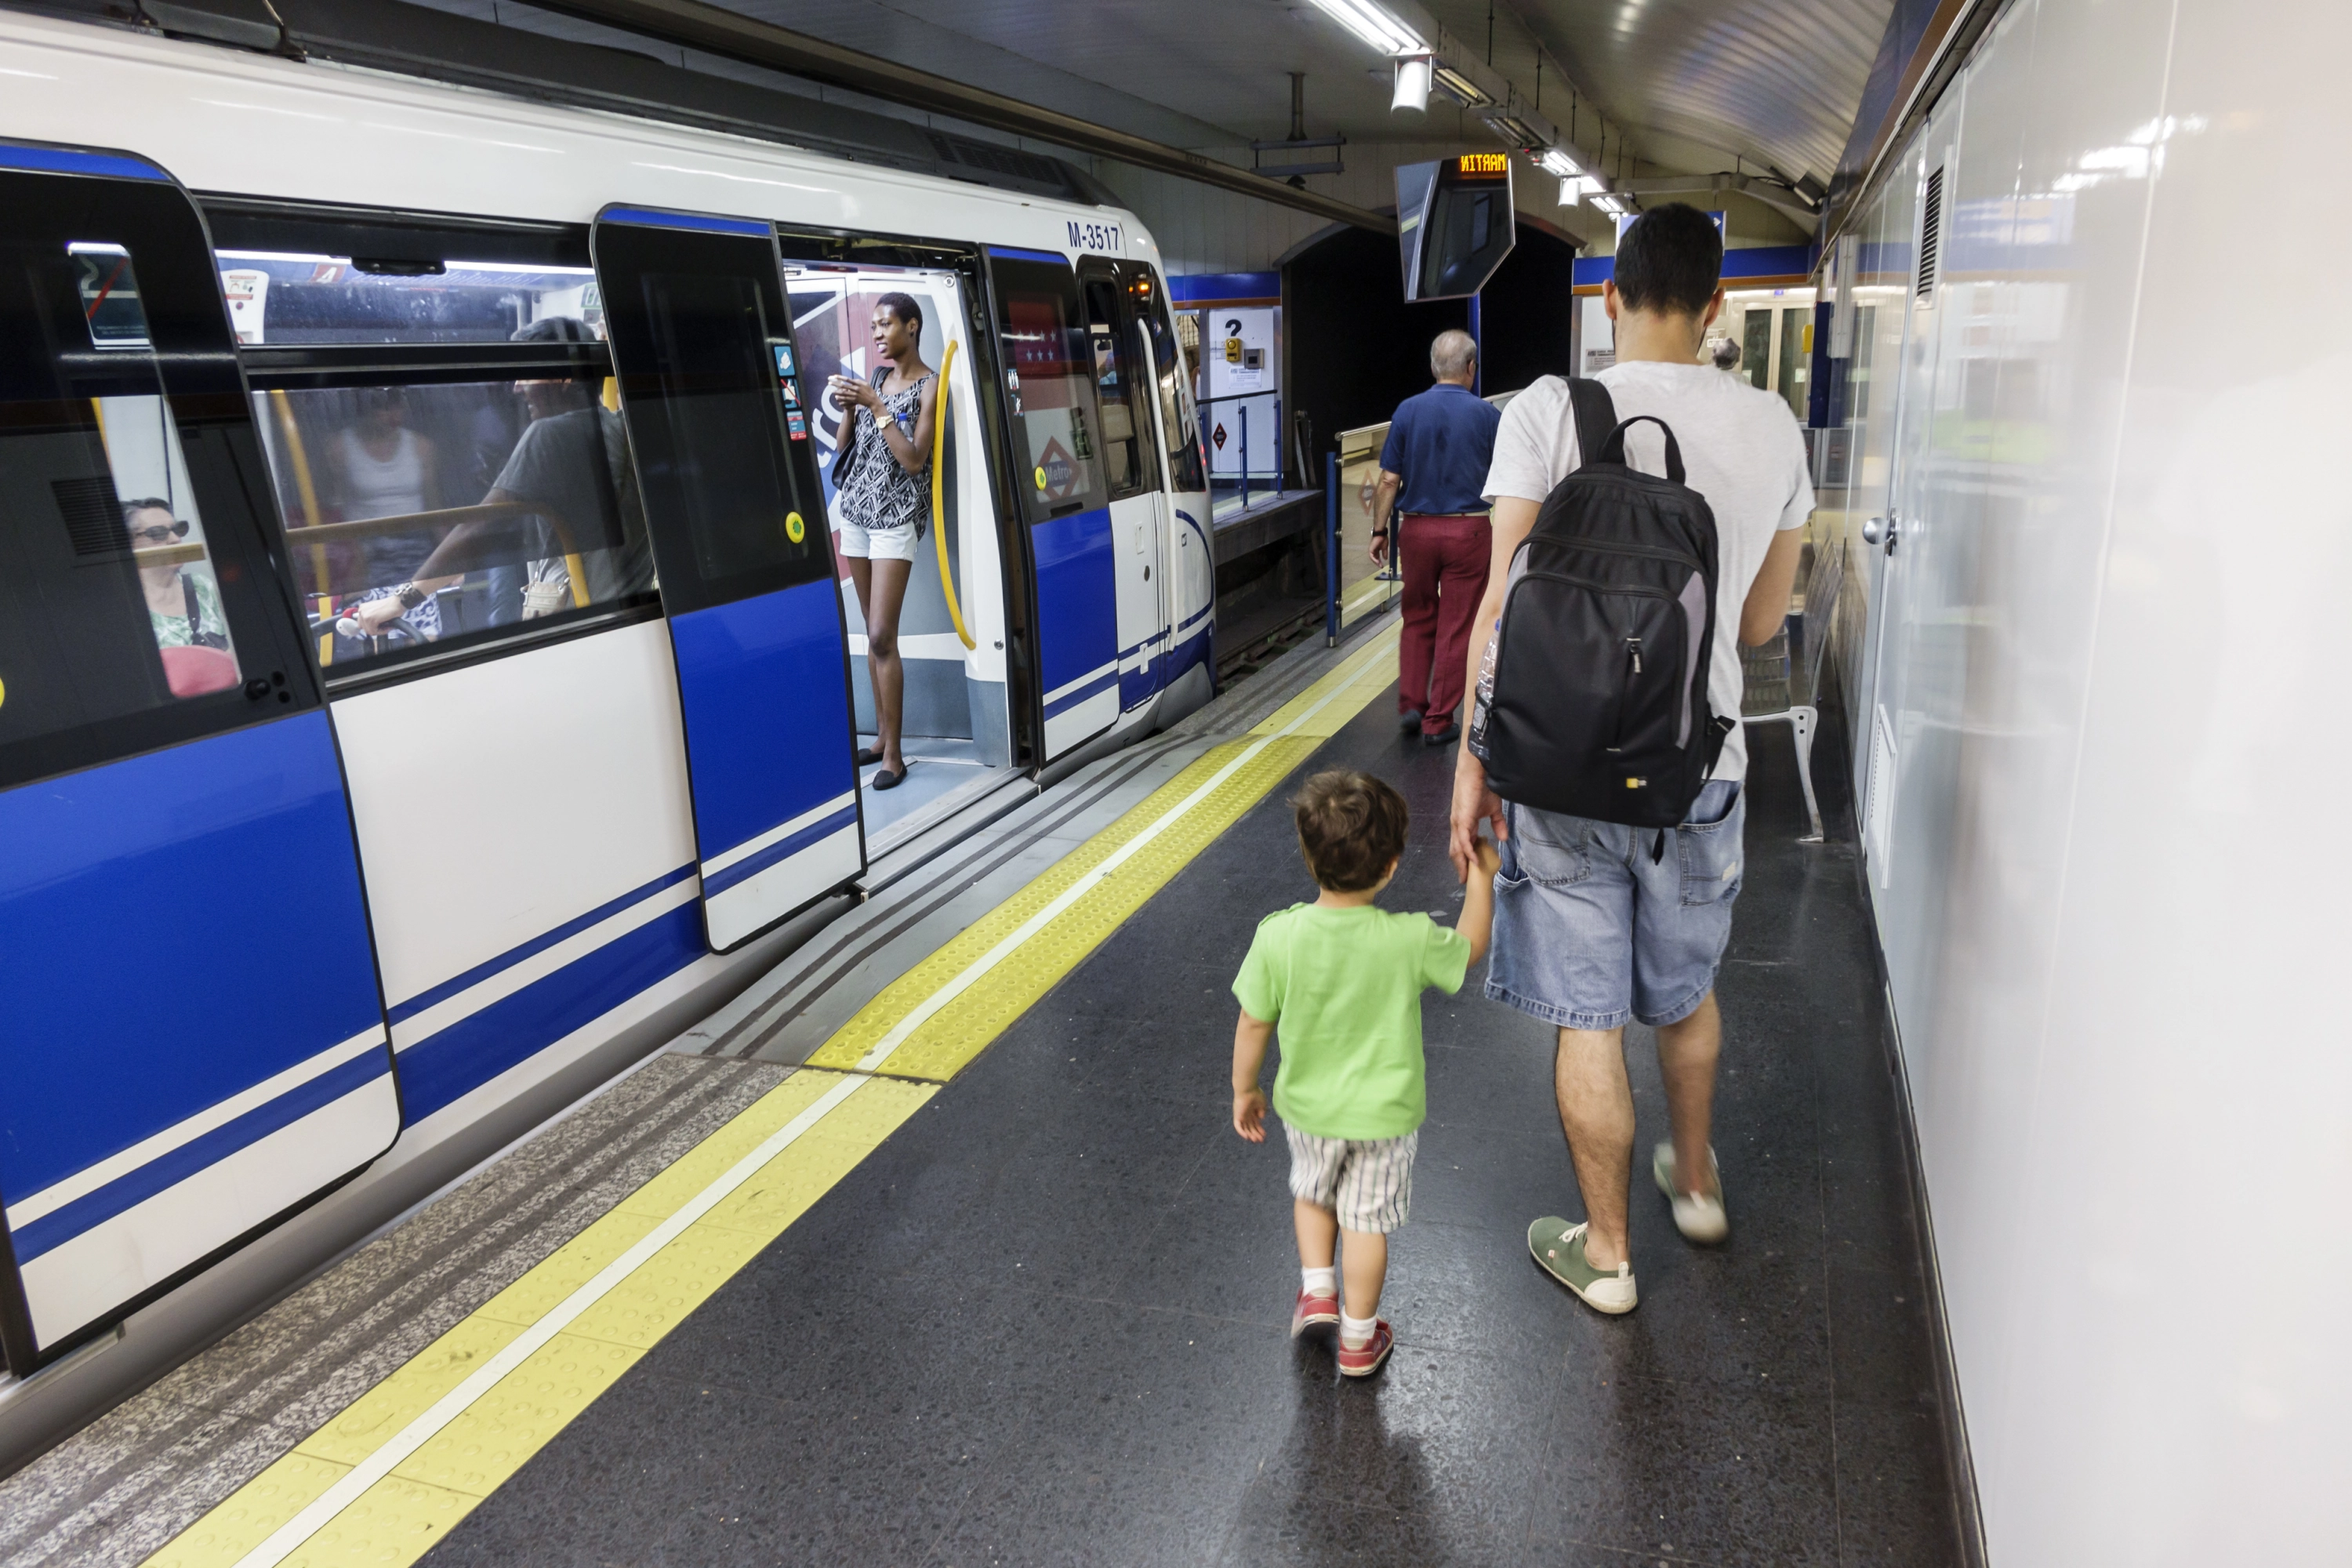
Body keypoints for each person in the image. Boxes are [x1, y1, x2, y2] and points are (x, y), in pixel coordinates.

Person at [1448, 202, 1809, 1316]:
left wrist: (1472, 765)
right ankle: (1693, 1186)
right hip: (1700, 769)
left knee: (1586, 1014)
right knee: (1686, 994)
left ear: (1609, 296)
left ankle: (1608, 1257)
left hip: (1555, 767)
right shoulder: (1773, 428)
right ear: (1716, 307)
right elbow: (1756, 630)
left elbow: (1501, 606)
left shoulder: (1548, 410)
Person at [1230, 770, 1499, 1377]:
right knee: (1366, 1223)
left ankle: (1317, 1290)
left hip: (1309, 1109)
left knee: (1313, 1194)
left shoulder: (1278, 936)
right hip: (1384, 1119)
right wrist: (1482, 880)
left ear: (1308, 858)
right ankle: (1357, 1337)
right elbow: (1469, 948)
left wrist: (1244, 1089)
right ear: (1392, 867)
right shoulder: (1406, 939)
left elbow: (1252, 1023)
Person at [352, 318, 652, 637]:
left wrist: (402, 600)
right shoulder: (618, 429)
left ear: (564, 377)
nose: (517, 387)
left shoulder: (553, 434)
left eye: (527, 373)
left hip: (578, 627)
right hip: (627, 618)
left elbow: (481, 524)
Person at [827, 292, 939, 792]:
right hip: (855, 512)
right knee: (869, 632)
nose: (876, 334)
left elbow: (914, 459)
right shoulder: (873, 381)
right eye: (873, 326)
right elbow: (844, 450)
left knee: (880, 636)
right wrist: (850, 405)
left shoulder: (931, 386)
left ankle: (895, 753)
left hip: (895, 518)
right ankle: (880, 738)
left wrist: (876, 407)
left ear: (911, 327)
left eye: (885, 325)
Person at [1370, 328, 1502, 747]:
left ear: (1432, 367)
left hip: (1418, 529)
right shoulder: (1488, 416)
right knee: (1457, 625)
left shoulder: (1408, 411)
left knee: (1418, 614)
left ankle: (1412, 704)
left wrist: (1378, 531)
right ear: (1471, 369)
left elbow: (1389, 480)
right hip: (1469, 529)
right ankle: (1438, 720)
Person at [329, 387, 444, 641]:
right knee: (372, 637)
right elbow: (331, 510)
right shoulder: (339, 448)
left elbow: (433, 507)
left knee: (424, 638)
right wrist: (345, 569)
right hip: (366, 555)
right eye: (383, 406)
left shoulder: (421, 446)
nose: (393, 414)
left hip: (415, 553)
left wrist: (450, 560)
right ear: (366, 409)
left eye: (398, 405)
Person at [122, 499, 228, 650]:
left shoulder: (202, 586)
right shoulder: (125, 606)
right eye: (158, 533)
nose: (176, 539)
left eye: (178, 529)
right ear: (129, 543)